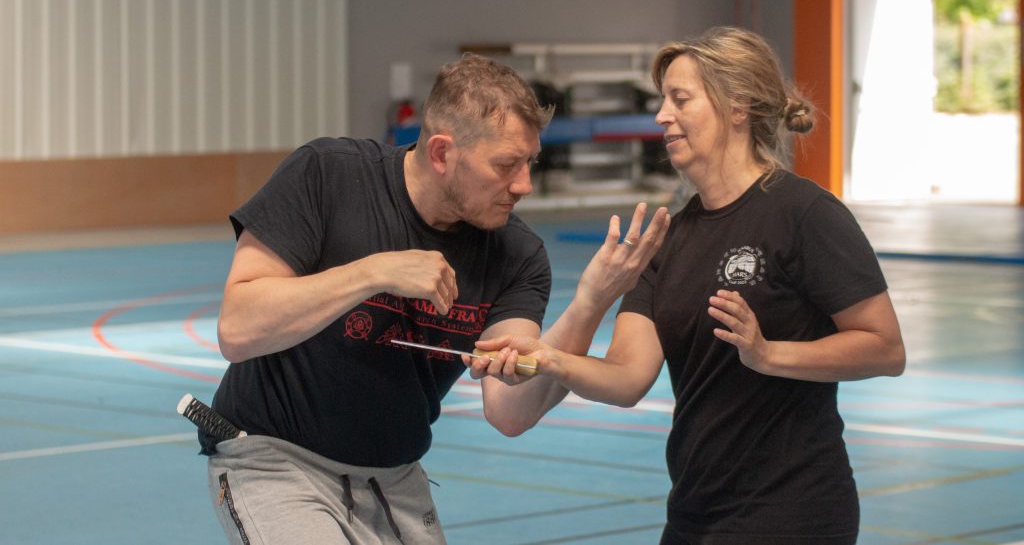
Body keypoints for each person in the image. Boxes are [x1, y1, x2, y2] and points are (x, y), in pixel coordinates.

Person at [199, 52, 670, 544]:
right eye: (506, 165)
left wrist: (590, 303)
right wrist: (372, 272)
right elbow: (237, 329)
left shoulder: (517, 255)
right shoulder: (327, 175)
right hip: (275, 460)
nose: (524, 185)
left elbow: (509, 410)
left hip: (394, 478)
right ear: (442, 153)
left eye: (530, 162)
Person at [475, 27, 906, 544]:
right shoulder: (668, 239)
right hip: (696, 516)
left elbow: (885, 348)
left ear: (737, 106)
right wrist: (551, 359)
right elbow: (626, 378)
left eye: (680, 99)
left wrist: (770, 354)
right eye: (663, 101)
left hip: (794, 514)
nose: (662, 116)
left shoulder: (805, 213)